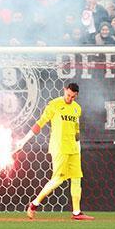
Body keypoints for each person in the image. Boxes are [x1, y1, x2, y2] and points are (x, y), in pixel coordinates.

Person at [14, 83, 94, 221]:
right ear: (64, 91)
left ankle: (77, 212)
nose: (69, 98)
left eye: (73, 97)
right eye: (68, 95)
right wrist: (24, 140)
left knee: (76, 178)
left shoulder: (77, 109)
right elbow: (40, 123)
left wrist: (78, 145)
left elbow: (76, 130)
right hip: (59, 147)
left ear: (76, 96)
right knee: (58, 179)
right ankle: (34, 204)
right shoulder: (54, 105)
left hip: (74, 149)